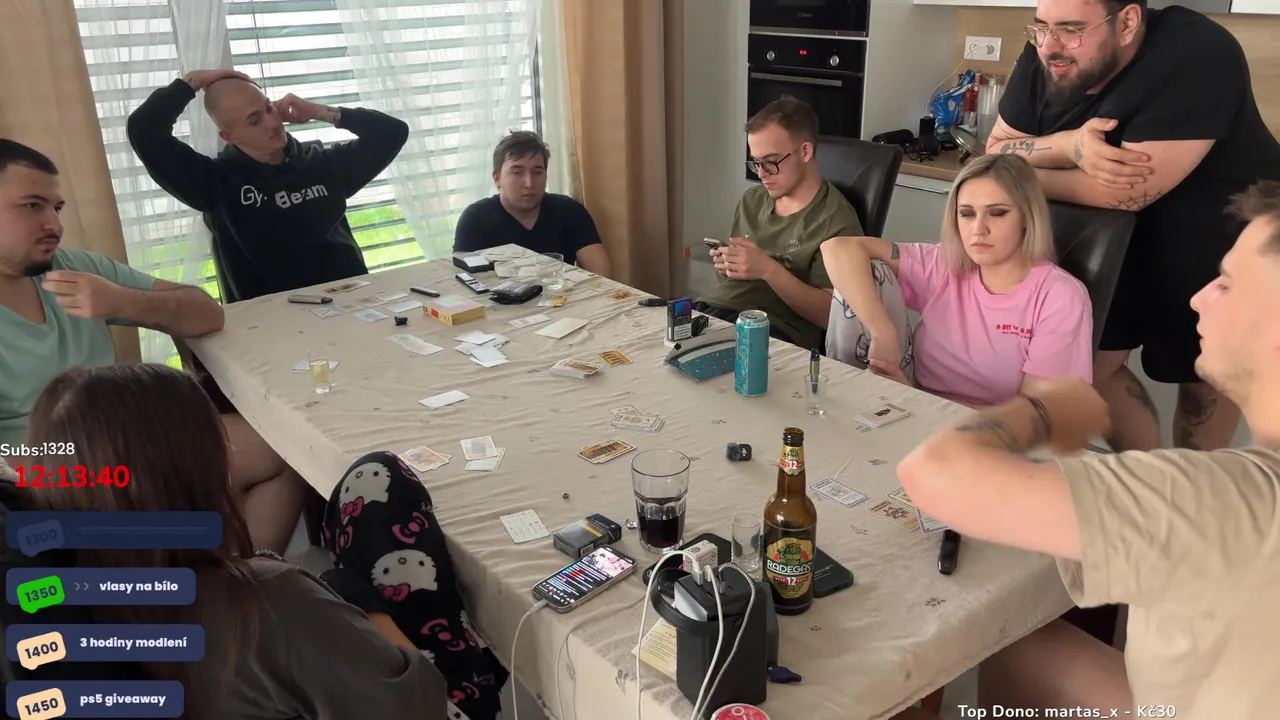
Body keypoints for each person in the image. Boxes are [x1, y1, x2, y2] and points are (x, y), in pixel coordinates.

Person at [895, 180, 1280, 719]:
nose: (1199, 297)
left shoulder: (1219, 498)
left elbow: (933, 473)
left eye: (1228, 284)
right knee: (1014, 646)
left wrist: (1045, 408)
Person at [23, 363, 508, 719]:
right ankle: (478, 656)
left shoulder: (60, 609)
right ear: (193, 472)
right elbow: (420, 708)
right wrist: (365, 606)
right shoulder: (271, 603)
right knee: (382, 480)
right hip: (418, 702)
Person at [987, 0, 1280, 453]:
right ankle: (1144, 470)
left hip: (1212, 232)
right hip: (1108, 235)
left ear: (1126, 22)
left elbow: (1125, 193)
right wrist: (1067, 146)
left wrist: (1022, 177)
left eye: (1071, 29)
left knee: (1201, 381)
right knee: (1090, 368)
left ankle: (1191, 486)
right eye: (1041, 26)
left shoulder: (1198, 53)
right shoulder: (1044, 51)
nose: (1049, 45)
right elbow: (996, 150)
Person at [0, 139, 304, 554]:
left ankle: (246, 579)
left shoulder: (74, 267)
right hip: (52, 478)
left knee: (286, 447)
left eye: (57, 208)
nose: (53, 224)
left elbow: (206, 313)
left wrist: (122, 302)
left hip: (133, 442)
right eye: (33, 206)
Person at [821, 154, 1092, 407]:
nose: (978, 229)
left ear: (1027, 216)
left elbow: (1037, 416)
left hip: (995, 433)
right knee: (868, 272)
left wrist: (919, 405)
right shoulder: (945, 264)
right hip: (915, 407)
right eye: (967, 213)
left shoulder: (1060, 296)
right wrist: (882, 331)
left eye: (998, 213)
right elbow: (838, 249)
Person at [128, 68, 410, 304]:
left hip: (351, 304)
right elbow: (145, 130)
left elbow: (392, 132)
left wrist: (318, 111)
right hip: (270, 324)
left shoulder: (322, 163)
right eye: (255, 120)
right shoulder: (215, 183)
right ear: (230, 136)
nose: (273, 122)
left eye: (269, 108)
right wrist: (193, 81)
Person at [696, 97, 863, 349]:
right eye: (756, 162)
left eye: (771, 162)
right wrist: (728, 267)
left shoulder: (836, 221)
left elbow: (834, 317)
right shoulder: (752, 200)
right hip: (712, 311)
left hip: (773, 331)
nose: (761, 173)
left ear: (805, 152)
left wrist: (768, 270)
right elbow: (732, 287)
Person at [453, 130, 612, 277]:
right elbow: (460, 280)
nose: (529, 183)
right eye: (517, 172)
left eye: (537, 172)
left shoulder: (569, 210)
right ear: (497, 178)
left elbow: (601, 272)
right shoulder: (475, 218)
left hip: (564, 295)